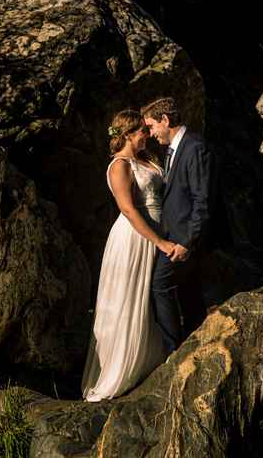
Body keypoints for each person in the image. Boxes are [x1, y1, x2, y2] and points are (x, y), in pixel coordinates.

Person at [81, 109, 176, 402]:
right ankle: (120, 368)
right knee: (128, 297)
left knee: (151, 296)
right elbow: (128, 209)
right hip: (135, 236)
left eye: (146, 132)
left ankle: (152, 355)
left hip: (159, 229)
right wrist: (158, 240)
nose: (146, 136)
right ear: (127, 134)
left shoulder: (146, 160)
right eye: (141, 132)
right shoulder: (119, 166)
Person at [142, 97, 211, 356]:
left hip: (184, 238)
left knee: (160, 285)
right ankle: (196, 344)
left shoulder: (194, 147)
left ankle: (174, 349)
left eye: (151, 127)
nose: (150, 134)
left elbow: (202, 200)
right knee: (188, 290)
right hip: (173, 235)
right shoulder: (172, 150)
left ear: (165, 120)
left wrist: (187, 242)